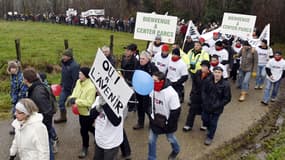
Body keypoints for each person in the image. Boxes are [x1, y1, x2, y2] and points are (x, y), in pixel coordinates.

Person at [23, 67, 56, 160]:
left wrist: (42, 127)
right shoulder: (36, 87)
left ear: (26, 80)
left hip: (43, 124)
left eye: (23, 78)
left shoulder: (37, 93)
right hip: (42, 123)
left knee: (46, 147)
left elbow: (46, 112)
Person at [148, 71, 181, 160]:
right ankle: (151, 158)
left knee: (170, 138)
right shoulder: (152, 89)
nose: (152, 83)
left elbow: (176, 112)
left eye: (155, 81)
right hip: (155, 120)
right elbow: (150, 103)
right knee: (151, 140)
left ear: (161, 81)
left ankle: (176, 149)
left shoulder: (172, 94)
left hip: (168, 122)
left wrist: (169, 125)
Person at [66, 67, 96, 158]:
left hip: (88, 112)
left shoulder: (91, 87)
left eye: (80, 74)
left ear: (86, 76)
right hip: (80, 111)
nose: (79, 75)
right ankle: (97, 133)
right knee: (88, 127)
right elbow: (75, 93)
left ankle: (85, 148)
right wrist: (71, 99)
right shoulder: (78, 82)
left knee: (83, 130)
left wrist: (76, 101)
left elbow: (89, 102)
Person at [201, 66, 231, 145]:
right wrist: (204, 100)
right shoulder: (208, 81)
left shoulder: (225, 85)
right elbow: (203, 91)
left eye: (219, 72)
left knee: (213, 123)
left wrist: (218, 104)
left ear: (222, 74)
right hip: (206, 105)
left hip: (217, 108)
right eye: (216, 72)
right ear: (213, 72)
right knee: (204, 118)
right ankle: (208, 127)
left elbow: (227, 98)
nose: (217, 74)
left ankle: (210, 137)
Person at [90, 95, 123, 160]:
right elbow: (91, 115)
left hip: (111, 143)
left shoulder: (118, 100)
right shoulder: (98, 98)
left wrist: (105, 105)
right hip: (99, 140)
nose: (97, 90)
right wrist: (98, 108)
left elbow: (116, 121)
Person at [183, 60, 212, 132]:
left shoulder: (211, 76)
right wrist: (192, 93)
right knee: (192, 110)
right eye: (202, 66)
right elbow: (194, 84)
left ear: (208, 68)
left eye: (205, 66)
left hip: (205, 97)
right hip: (196, 95)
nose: (203, 68)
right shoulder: (198, 72)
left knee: (205, 112)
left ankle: (204, 125)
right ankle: (188, 125)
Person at [133, 51, 158, 130]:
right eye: (140, 58)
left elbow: (158, 77)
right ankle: (140, 123)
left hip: (148, 92)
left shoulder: (152, 67)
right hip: (139, 90)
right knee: (140, 107)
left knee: (147, 108)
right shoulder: (138, 65)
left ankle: (152, 122)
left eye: (143, 59)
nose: (141, 60)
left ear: (148, 59)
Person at [55, 48, 80, 123]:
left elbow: (76, 79)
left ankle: (86, 119)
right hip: (65, 88)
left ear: (70, 57)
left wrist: (73, 91)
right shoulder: (63, 64)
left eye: (65, 56)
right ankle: (63, 117)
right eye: (63, 55)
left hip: (73, 89)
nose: (63, 57)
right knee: (61, 102)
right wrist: (61, 83)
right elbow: (63, 75)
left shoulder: (74, 66)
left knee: (79, 106)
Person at [7, 60, 28, 135]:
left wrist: (18, 99)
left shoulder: (20, 77)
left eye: (13, 67)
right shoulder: (13, 76)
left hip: (20, 99)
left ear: (17, 68)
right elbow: (13, 88)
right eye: (10, 68)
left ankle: (21, 128)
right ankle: (17, 128)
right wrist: (12, 96)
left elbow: (22, 89)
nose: (12, 69)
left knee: (19, 114)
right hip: (15, 99)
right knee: (15, 114)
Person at [121, 43, 139, 112]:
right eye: (126, 50)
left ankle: (132, 107)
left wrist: (129, 81)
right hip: (123, 79)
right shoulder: (124, 58)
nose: (126, 52)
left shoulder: (135, 61)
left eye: (128, 50)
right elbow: (122, 68)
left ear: (133, 52)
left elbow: (134, 73)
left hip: (130, 82)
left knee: (131, 96)